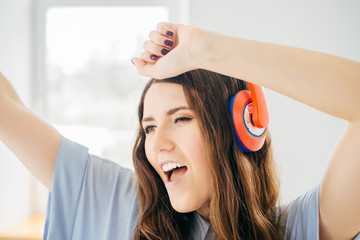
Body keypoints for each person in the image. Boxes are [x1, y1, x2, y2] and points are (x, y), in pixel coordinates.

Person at [0, 21, 358, 240]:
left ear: (243, 127)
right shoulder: (117, 200)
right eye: (149, 127)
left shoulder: (297, 230)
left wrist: (207, 49)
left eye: (181, 118)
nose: (158, 144)